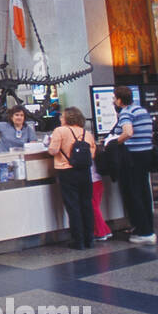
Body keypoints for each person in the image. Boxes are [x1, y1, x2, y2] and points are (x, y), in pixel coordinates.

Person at [112, 86, 156, 243]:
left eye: (114, 98)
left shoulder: (126, 113)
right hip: (145, 154)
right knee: (144, 192)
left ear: (119, 99)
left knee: (133, 193)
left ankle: (143, 232)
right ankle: (148, 228)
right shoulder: (142, 111)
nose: (113, 100)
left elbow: (128, 132)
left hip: (131, 157)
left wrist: (114, 142)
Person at [48, 107, 96, 250]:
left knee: (73, 206)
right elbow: (92, 153)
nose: (60, 119)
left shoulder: (60, 131)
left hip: (66, 171)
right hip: (84, 172)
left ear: (68, 118)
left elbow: (53, 150)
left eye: (62, 117)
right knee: (86, 204)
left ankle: (78, 240)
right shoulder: (86, 133)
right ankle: (90, 239)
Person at [90, 153, 112, 242]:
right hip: (98, 180)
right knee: (95, 208)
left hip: (92, 181)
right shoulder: (92, 147)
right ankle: (106, 230)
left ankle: (100, 233)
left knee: (93, 208)